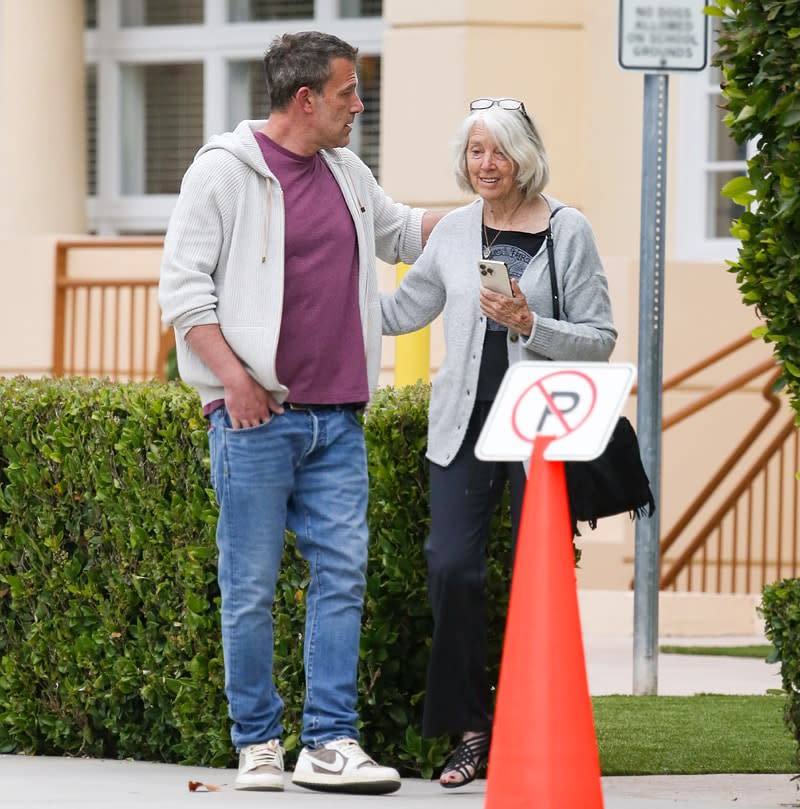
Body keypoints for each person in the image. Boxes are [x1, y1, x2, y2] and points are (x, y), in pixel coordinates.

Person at [158, 31, 444, 795]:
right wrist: (234, 381)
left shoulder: (347, 170)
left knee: (342, 578)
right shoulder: (222, 173)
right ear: (307, 98)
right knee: (250, 584)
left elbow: (400, 229)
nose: (361, 104)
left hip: (339, 421)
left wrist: (490, 212)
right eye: (350, 91)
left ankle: (328, 741)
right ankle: (257, 743)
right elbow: (184, 293)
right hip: (254, 421)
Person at [381, 98, 617, 788]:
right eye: (476, 151)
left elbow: (599, 337)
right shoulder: (454, 231)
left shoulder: (567, 230)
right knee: (451, 566)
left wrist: (529, 321)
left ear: (525, 157)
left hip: (537, 430)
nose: (486, 164)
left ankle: (534, 723)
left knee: (534, 578)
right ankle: (470, 729)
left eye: (499, 151)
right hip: (462, 425)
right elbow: (403, 310)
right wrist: (322, 302)